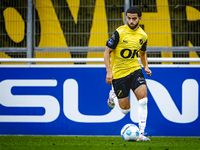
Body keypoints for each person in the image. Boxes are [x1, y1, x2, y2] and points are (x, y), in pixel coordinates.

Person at [104, 6, 152, 141]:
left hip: (135, 71)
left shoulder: (143, 35)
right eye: (129, 18)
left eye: (134, 19)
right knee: (125, 110)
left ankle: (141, 133)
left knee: (143, 101)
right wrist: (109, 72)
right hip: (119, 75)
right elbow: (107, 52)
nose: (131, 21)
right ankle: (112, 96)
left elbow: (142, 53)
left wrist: (145, 66)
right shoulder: (119, 33)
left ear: (139, 18)